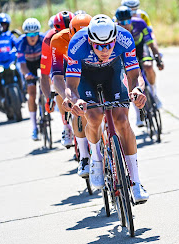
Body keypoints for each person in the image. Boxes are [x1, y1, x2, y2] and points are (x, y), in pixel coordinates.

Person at [64, 14, 149, 203]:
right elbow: (70, 84)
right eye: (99, 46)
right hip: (86, 77)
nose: (105, 50)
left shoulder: (124, 38)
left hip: (112, 72)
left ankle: (136, 182)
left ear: (115, 38)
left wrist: (136, 89)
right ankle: (95, 157)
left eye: (109, 45)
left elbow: (135, 75)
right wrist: (74, 100)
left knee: (122, 121)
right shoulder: (78, 43)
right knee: (93, 117)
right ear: (90, 40)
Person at [47, 14, 92, 178]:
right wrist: (69, 96)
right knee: (78, 109)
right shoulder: (57, 41)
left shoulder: (98, 36)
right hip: (70, 73)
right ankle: (84, 156)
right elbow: (56, 76)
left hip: (92, 69)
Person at [116, 5, 164, 126]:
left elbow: (151, 43)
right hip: (126, 52)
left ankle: (153, 92)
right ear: (117, 22)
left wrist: (157, 57)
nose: (125, 25)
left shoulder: (140, 23)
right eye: (122, 22)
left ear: (131, 19)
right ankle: (138, 113)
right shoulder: (115, 30)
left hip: (140, 47)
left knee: (148, 66)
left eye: (128, 21)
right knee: (130, 79)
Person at [40, 11, 75, 147]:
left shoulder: (79, 30)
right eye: (62, 31)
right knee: (60, 87)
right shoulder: (49, 40)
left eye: (69, 30)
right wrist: (49, 97)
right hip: (59, 62)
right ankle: (66, 126)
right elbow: (44, 74)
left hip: (74, 60)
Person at [16, 18, 44, 140]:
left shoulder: (43, 40)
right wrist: (27, 74)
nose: (33, 37)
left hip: (41, 62)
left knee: (46, 81)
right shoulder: (20, 42)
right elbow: (22, 65)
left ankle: (46, 106)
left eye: (35, 34)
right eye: (30, 34)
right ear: (25, 34)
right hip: (28, 65)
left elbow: (48, 60)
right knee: (31, 94)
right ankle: (34, 127)